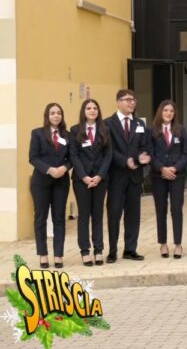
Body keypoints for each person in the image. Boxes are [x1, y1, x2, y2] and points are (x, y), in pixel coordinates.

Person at [105, 89, 151, 263]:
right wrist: (126, 161)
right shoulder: (108, 124)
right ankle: (112, 250)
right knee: (114, 214)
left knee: (133, 215)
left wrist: (141, 159)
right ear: (118, 102)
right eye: (128, 100)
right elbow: (108, 150)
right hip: (116, 177)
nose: (132, 103)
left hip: (134, 177)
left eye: (134, 100)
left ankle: (130, 249)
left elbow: (145, 146)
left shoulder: (139, 124)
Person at [69, 99, 112, 266]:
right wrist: (84, 176)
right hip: (82, 180)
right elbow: (74, 155)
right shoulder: (75, 130)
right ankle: (85, 251)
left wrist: (100, 176)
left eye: (95, 108)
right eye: (89, 108)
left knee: (98, 214)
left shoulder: (105, 130)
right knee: (84, 215)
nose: (92, 111)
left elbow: (108, 155)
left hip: (100, 180)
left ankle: (99, 249)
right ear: (83, 111)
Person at [29, 103, 72, 269]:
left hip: (61, 182)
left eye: (59, 113)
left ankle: (58, 255)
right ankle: (43, 254)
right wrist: (49, 169)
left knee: (59, 218)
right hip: (41, 182)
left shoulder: (67, 135)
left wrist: (64, 168)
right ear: (47, 116)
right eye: (53, 113)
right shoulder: (38, 133)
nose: (56, 116)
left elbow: (72, 158)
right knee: (40, 218)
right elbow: (33, 157)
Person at [148, 100, 187, 259]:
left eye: (171, 111)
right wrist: (162, 168)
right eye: (165, 110)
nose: (168, 113)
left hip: (176, 176)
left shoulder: (181, 130)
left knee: (176, 209)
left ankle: (178, 244)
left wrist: (175, 168)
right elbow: (149, 153)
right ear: (160, 112)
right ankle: (163, 243)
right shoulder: (152, 131)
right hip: (158, 176)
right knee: (161, 209)